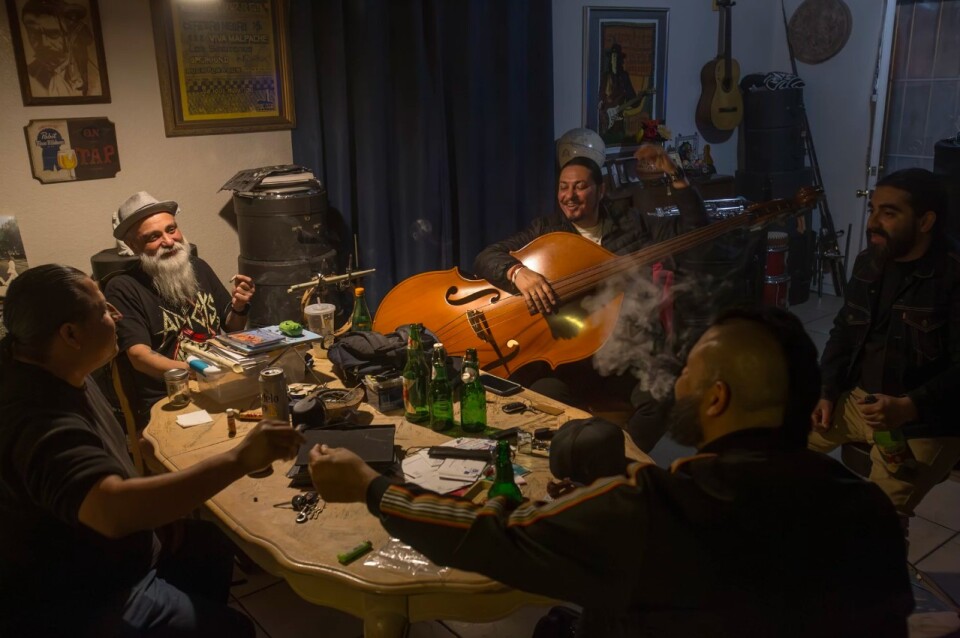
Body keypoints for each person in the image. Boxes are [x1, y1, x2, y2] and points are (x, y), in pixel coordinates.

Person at [309, 306, 913, 637]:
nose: (675, 380)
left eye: (690, 371)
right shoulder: (870, 508)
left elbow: (497, 532)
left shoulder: (657, 507)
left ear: (718, 399)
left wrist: (371, 486)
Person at [0, 264, 303, 636]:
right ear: (71, 334)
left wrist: (157, 519)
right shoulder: (36, 414)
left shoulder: (45, 362)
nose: (116, 315)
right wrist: (240, 459)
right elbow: (111, 511)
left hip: (108, 555)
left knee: (211, 544)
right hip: (78, 596)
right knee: (234, 629)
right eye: (103, 309)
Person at [473, 128, 708, 443]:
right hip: (567, 359)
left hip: (623, 352)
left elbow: (693, 228)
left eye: (581, 187)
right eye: (563, 187)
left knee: (664, 396)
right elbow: (487, 257)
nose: (569, 196)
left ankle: (621, 462)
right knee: (539, 397)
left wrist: (675, 175)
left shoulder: (632, 223)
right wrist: (518, 273)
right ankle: (581, 456)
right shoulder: (546, 230)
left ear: (601, 190)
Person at [810, 168, 960, 530]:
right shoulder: (869, 263)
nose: (873, 223)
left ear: (925, 221)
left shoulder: (953, 277)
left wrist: (909, 406)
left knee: (875, 524)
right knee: (770, 453)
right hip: (858, 401)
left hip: (925, 420)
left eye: (889, 213)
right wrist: (827, 390)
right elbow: (844, 331)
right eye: (873, 209)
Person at [105, 191, 256, 429]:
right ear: (134, 246)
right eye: (153, 237)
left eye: (171, 229)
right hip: (172, 397)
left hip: (220, 382)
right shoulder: (123, 288)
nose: (168, 241)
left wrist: (239, 306)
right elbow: (139, 357)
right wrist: (201, 372)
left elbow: (230, 329)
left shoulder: (199, 267)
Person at [20, 0, 100, 98]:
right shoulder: (30, 75)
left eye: (53, 34)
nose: (44, 43)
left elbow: (89, 40)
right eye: (34, 34)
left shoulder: (95, 76)